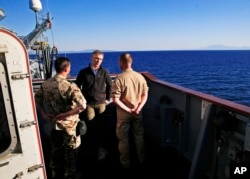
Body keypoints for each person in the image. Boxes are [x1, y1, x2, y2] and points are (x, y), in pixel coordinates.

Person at [35, 57, 87, 179]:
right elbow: (83, 105)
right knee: (71, 154)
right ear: (66, 69)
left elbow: (37, 100)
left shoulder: (46, 84)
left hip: (54, 124)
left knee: (55, 152)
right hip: (70, 127)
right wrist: (66, 114)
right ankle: (70, 175)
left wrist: (43, 113)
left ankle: (55, 174)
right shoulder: (69, 86)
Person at [111, 52, 149, 169]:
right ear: (131, 62)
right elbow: (145, 95)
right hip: (137, 112)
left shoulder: (120, 78)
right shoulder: (140, 77)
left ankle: (125, 163)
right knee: (139, 136)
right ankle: (141, 160)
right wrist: (138, 108)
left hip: (124, 114)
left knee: (123, 139)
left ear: (121, 63)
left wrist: (128, 110)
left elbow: (115, 100)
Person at [75, 50, 112, 168]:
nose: (98, 61)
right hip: (89, 104)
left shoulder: (104, 72)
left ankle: (101, 148)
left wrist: (108, 99)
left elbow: (110, 85)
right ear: (92, 58)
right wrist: (81, 101)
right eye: (96, 58)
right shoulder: (83, 72)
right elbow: (77, 86)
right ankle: (91, 150)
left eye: (100, 59)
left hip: (101, 103)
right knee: (90, 125)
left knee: (101, 125)